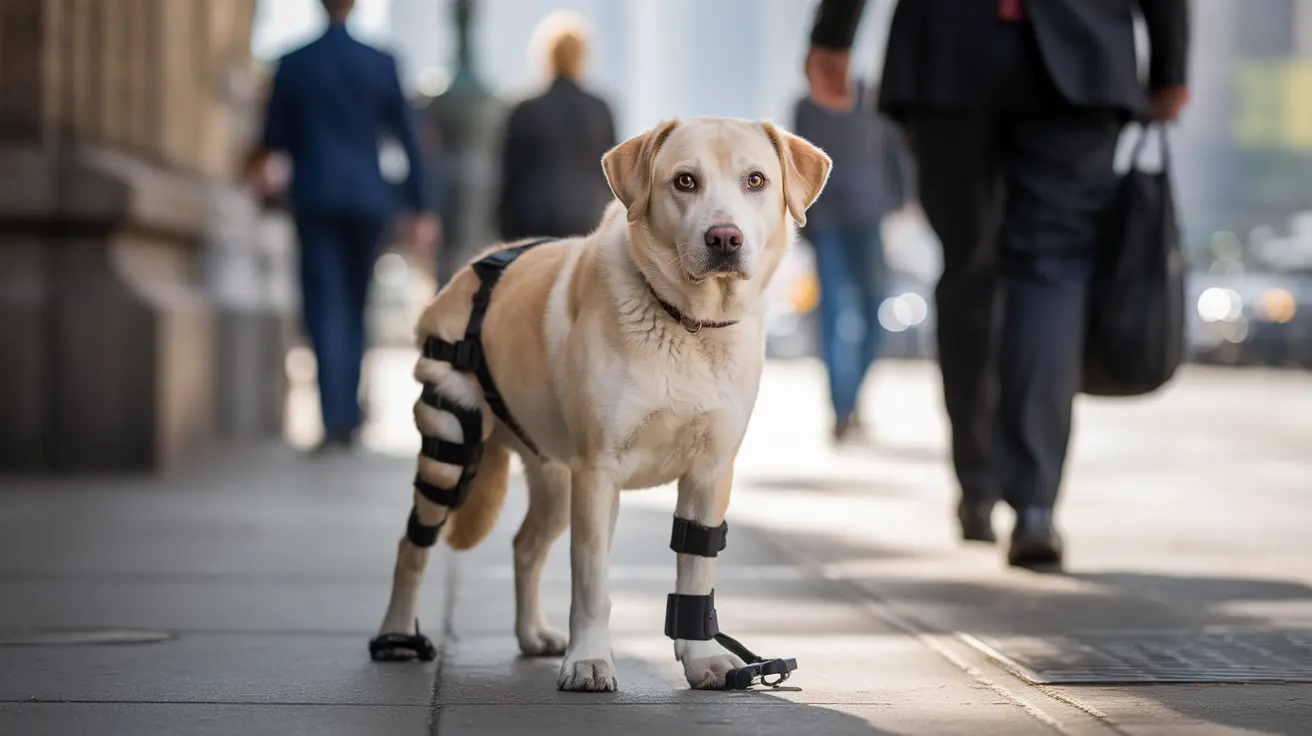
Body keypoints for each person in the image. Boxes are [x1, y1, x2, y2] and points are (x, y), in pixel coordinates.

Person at [804, 0, 1190, 568]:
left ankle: (978, 485)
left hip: (951, 51)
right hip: (1082, 50)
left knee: (969, 267)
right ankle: (1034, 505)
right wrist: (1170, 63)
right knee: (1050, 269)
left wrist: (834, 35)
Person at [246, 0, 438, 455]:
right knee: (355, 304)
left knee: (323, 306)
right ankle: (347, 414)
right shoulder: (380, 62)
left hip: (315, 197)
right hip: (368, 199)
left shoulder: (294, 63)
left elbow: (273, 137)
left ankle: (335, 417)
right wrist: (421, 208)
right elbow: (409, 141)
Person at [792, 79, 915, 444]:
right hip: (828, 220)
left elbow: (897, 153)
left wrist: (903, 202)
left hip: (870, 217)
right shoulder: (806, 106)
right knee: (832, 313)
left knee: (873, 311)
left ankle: (852, 397)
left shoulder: (874, 98)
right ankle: (842, 406)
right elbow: (798, 167)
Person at [496, 11, 617, 242]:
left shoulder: (524, 108)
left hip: (532, 222)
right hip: (589, 220)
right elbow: (612, 175)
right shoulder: (600, 108)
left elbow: (508, 178)